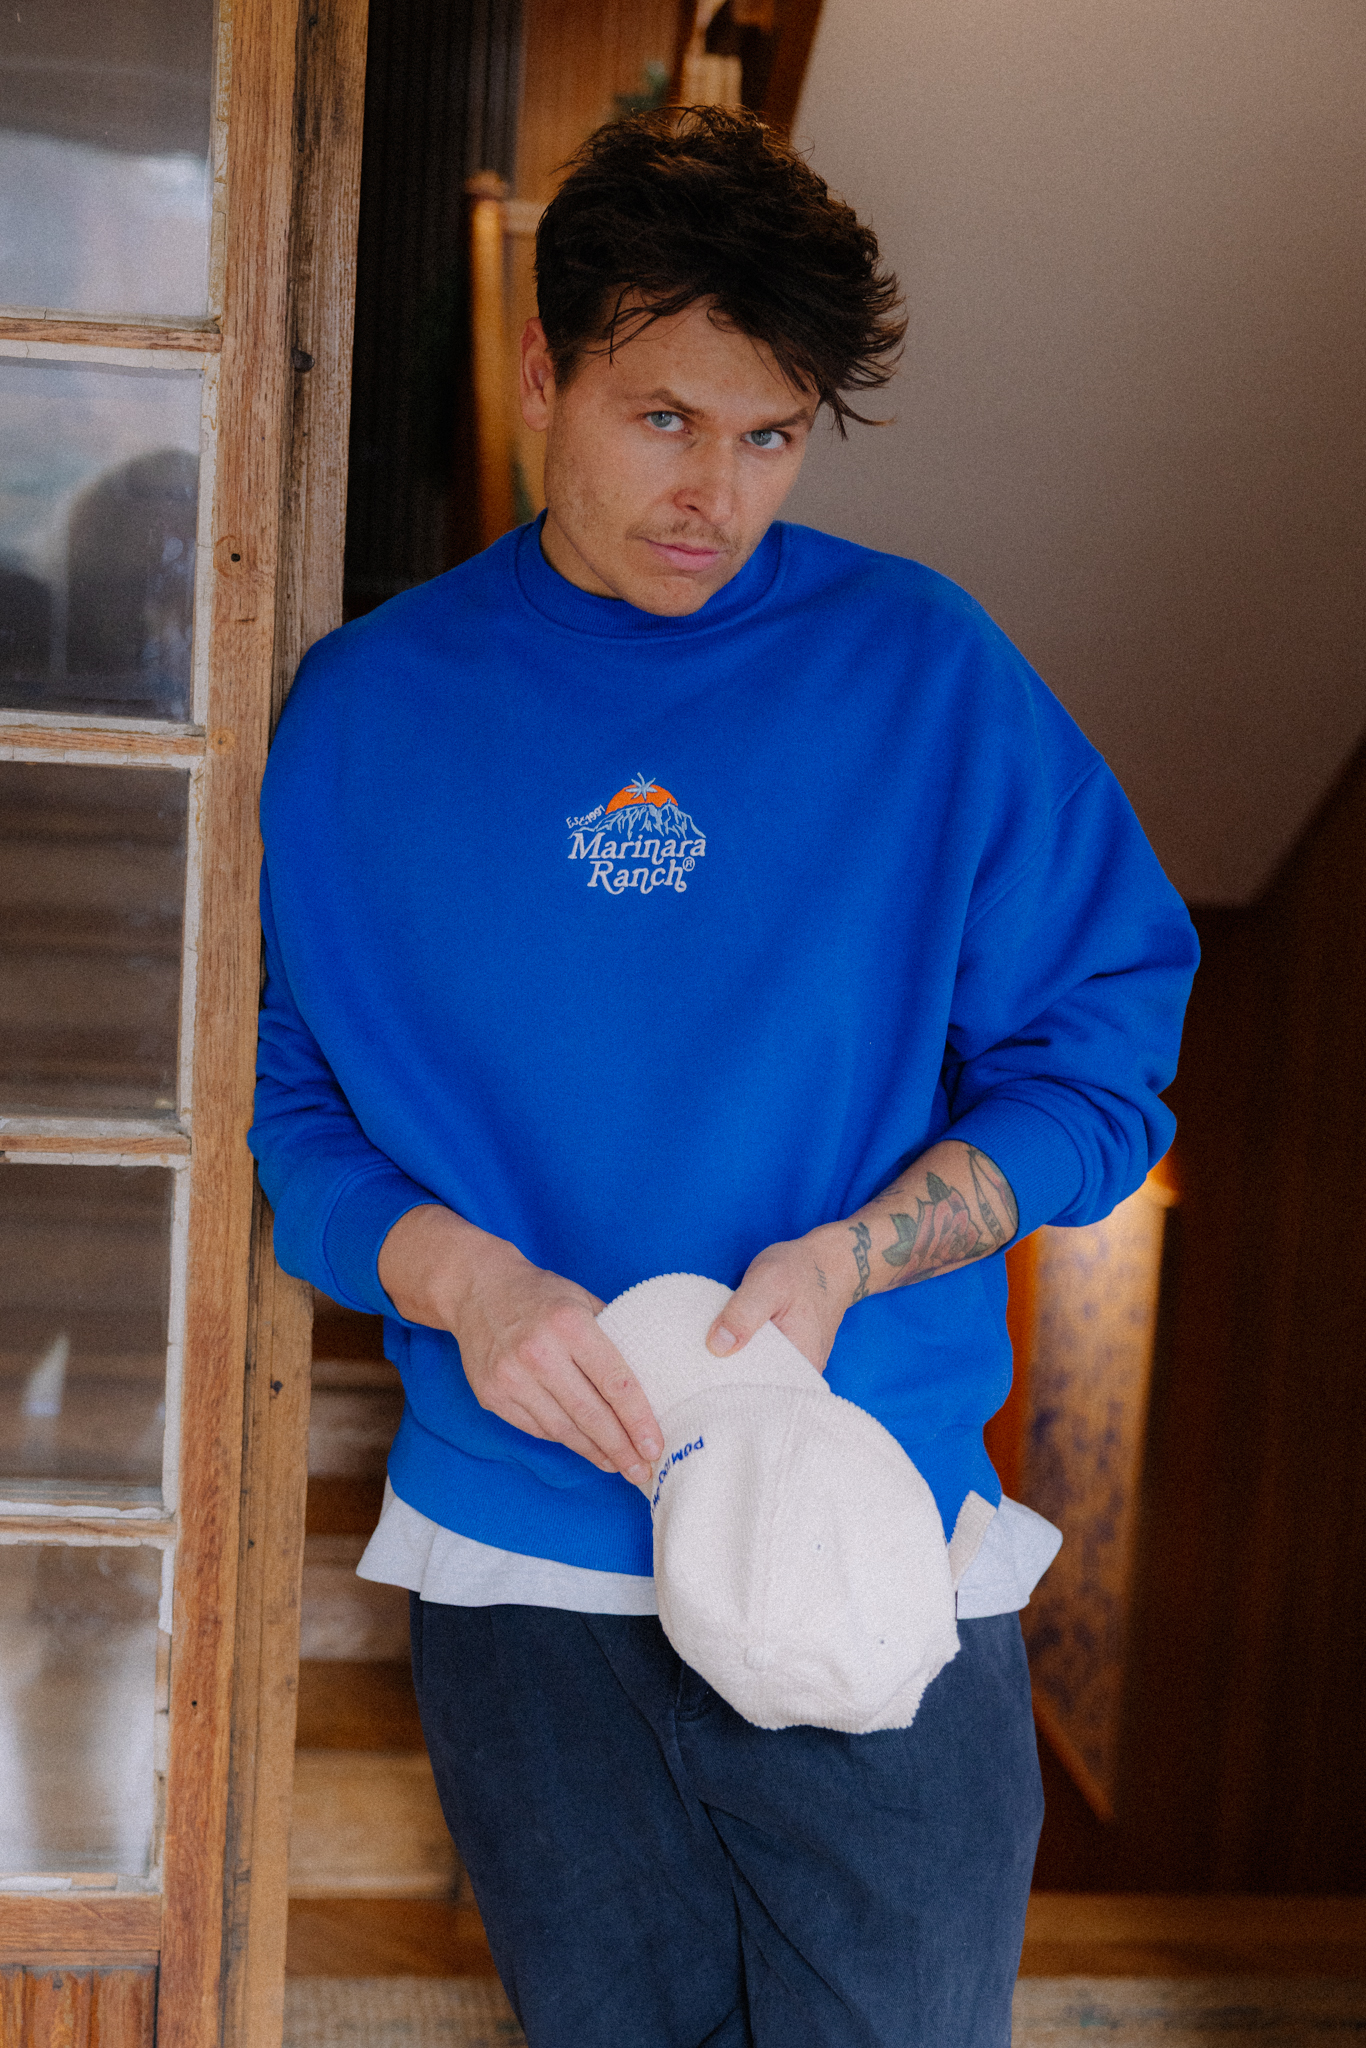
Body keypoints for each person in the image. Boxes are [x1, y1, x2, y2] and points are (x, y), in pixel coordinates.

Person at [251, 106, 1197, 2048]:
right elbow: (285, 1104)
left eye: (770, 436)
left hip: (867, 1531)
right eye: (664, 419)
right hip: (518, 1566)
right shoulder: (361, 713)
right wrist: (462, 1279)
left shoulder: (923, 671)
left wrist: (857, 1254)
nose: (714, 496)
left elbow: (1102, 1057)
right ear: (541, 372)